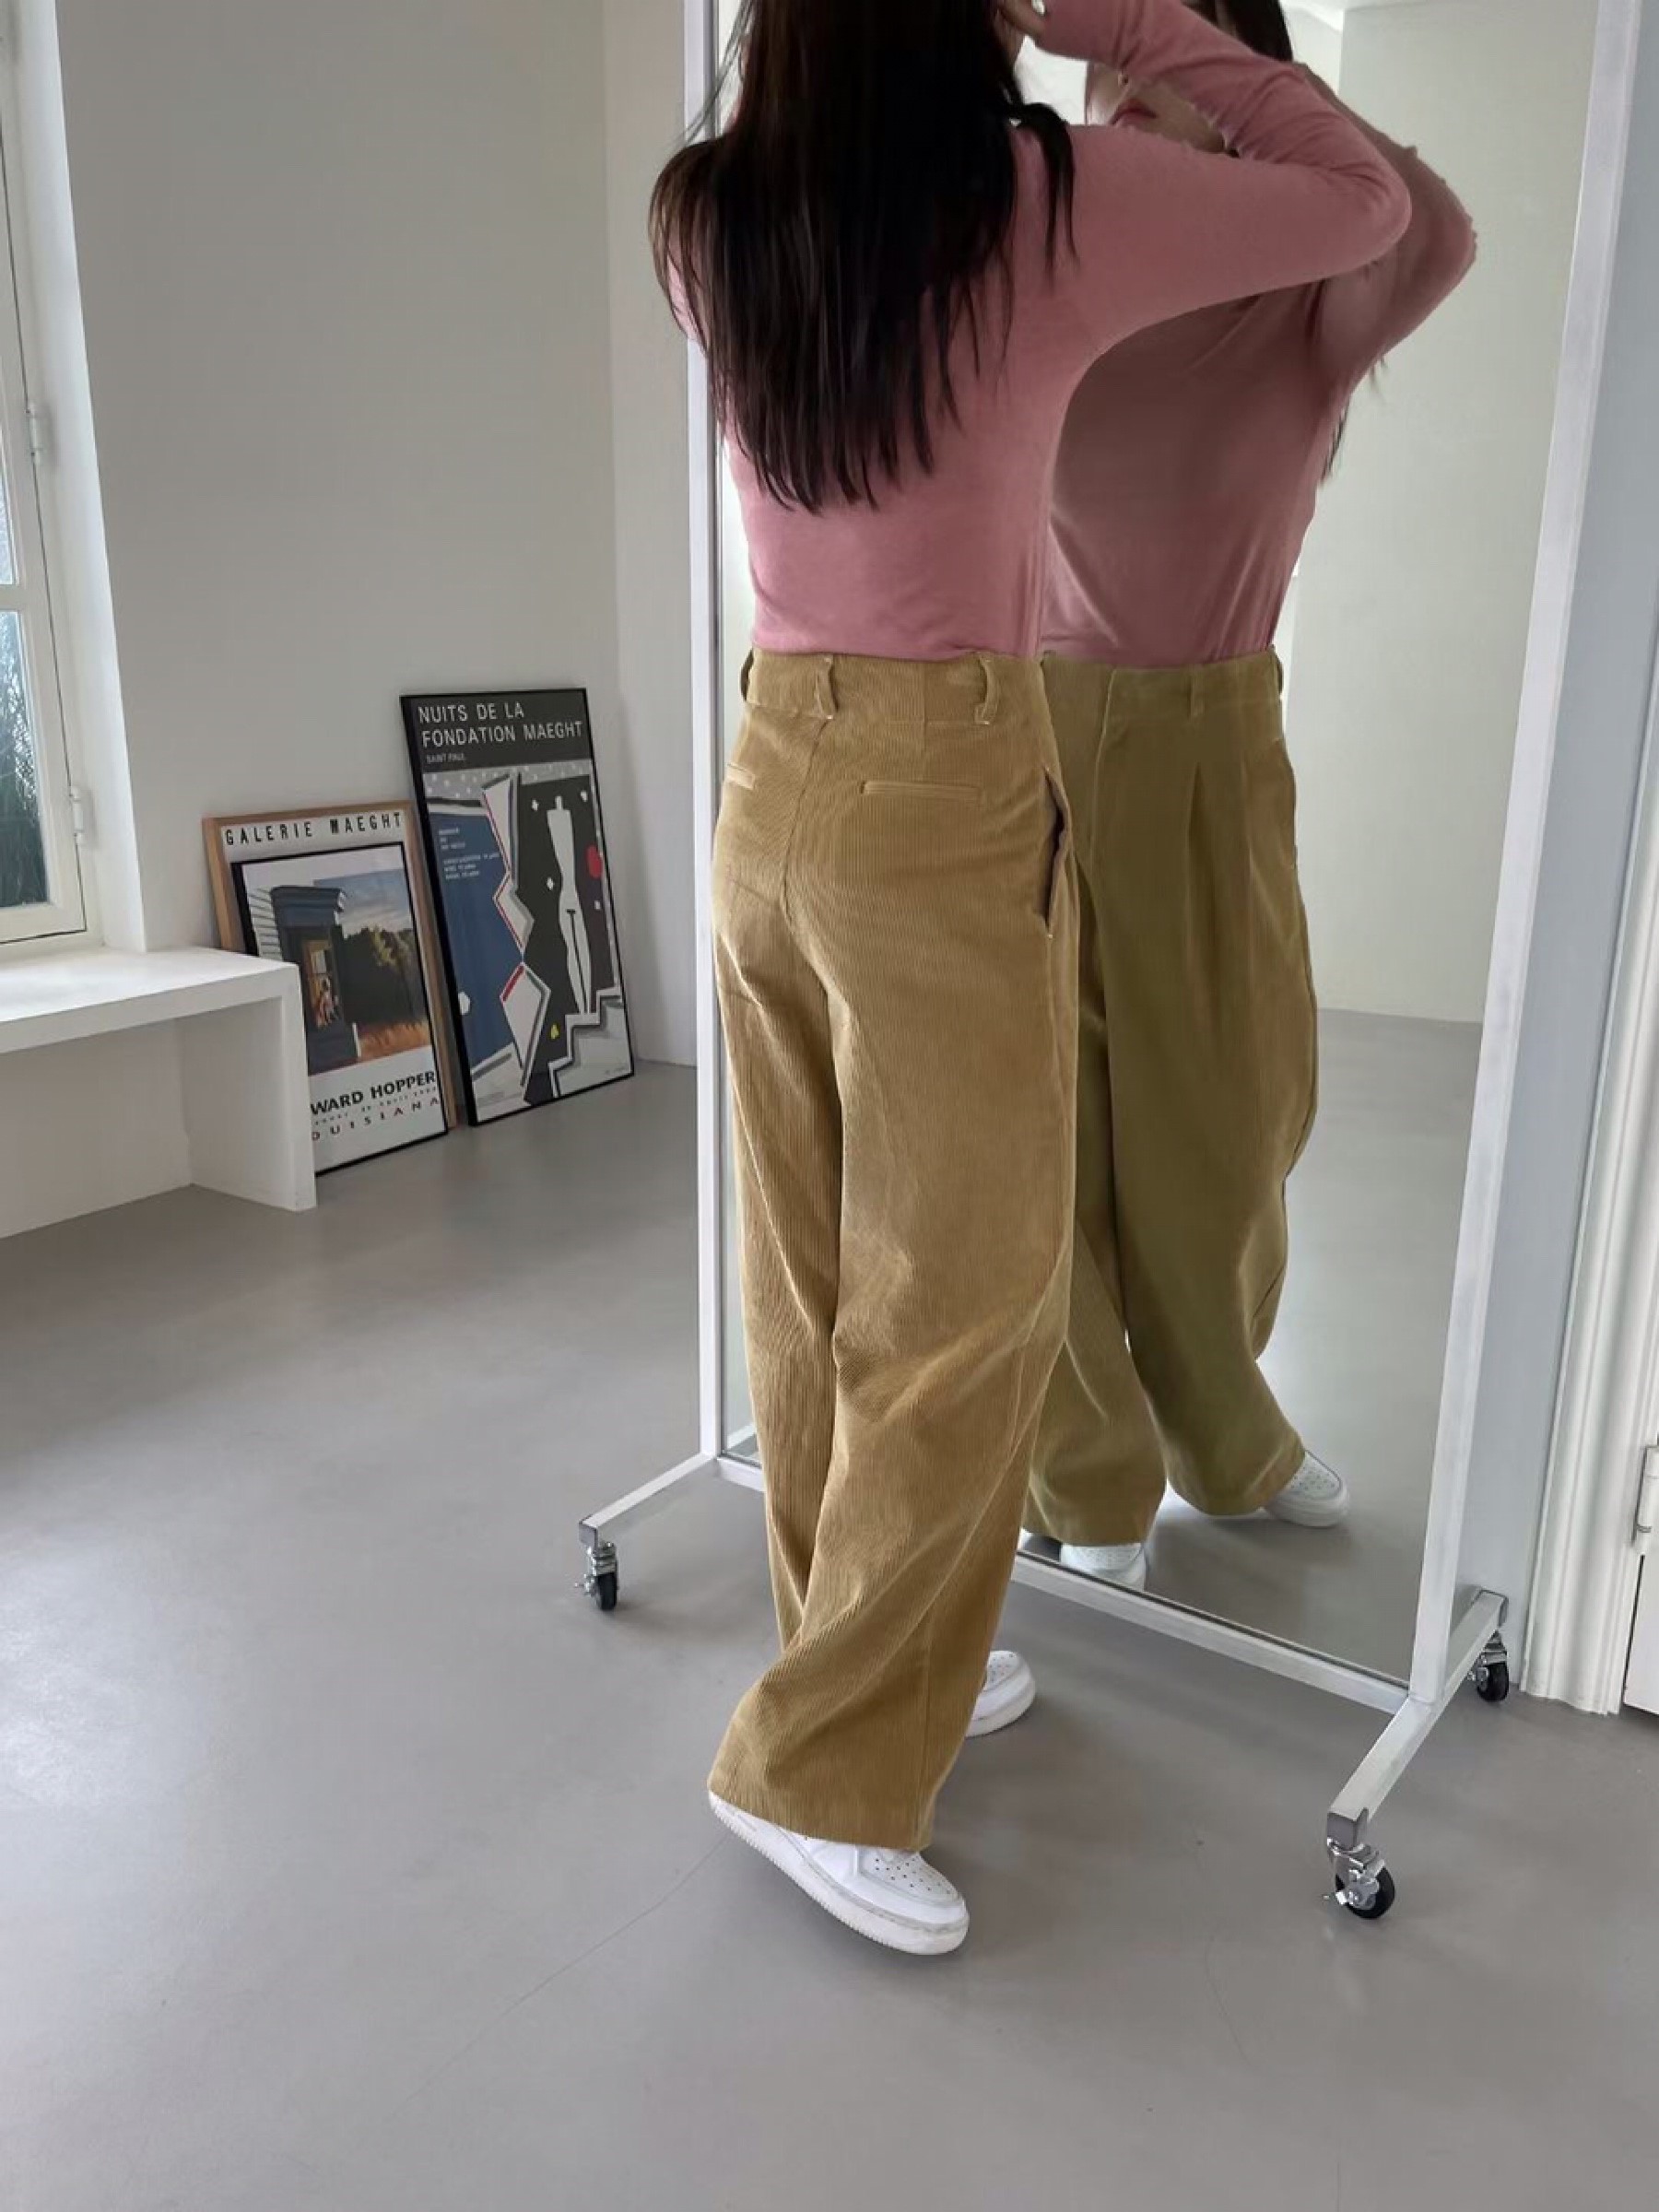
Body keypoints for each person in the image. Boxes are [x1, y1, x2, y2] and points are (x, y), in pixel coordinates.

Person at [653, 0, 1409, 1957]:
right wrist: (1130, 19)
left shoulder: (706, 209)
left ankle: (866, 1648)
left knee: (816, 1283)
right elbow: (1360, 198)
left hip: (769, 769)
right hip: (939, 795)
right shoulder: (1042, 200)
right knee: (967, 1299)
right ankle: (818, 1769)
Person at [1024, 0, 1477, 1592]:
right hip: (1027, 732)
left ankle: (1223, 1434)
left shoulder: (1308, 308)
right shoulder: (1052, 270)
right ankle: (1085, 1472)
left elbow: (1433, 224)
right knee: (1042, 1134)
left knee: (1233, 1118)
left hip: (1213, 734)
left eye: (1175, 49)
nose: (1131, 87)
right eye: (1114, 63)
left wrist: (1228, 79)